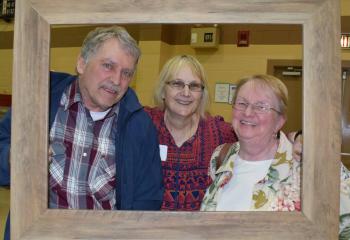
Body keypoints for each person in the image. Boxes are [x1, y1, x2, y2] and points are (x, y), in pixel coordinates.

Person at [0, 25, 164, 240]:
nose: (116, 80)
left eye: (126, 73)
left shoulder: (140, 127)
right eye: (108, 66)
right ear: (81, 63)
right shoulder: (39, 97)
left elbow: (148, 198)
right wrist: (12, 157)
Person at [144, 55, 237, 210]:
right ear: (162, 91)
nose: (186, 93)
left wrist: (293, 137)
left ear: (201, 95)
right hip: (149, 231)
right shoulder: (143, 125)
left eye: (194, 86)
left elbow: (260, 136)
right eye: (177, 84)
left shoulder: (219, 133)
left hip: (199, 231)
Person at [200, 74, 301, 211]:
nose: (247, 112)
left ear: (280, 121)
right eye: (242, 103)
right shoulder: (220, 157)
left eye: (261, 107)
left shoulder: (304, 167)